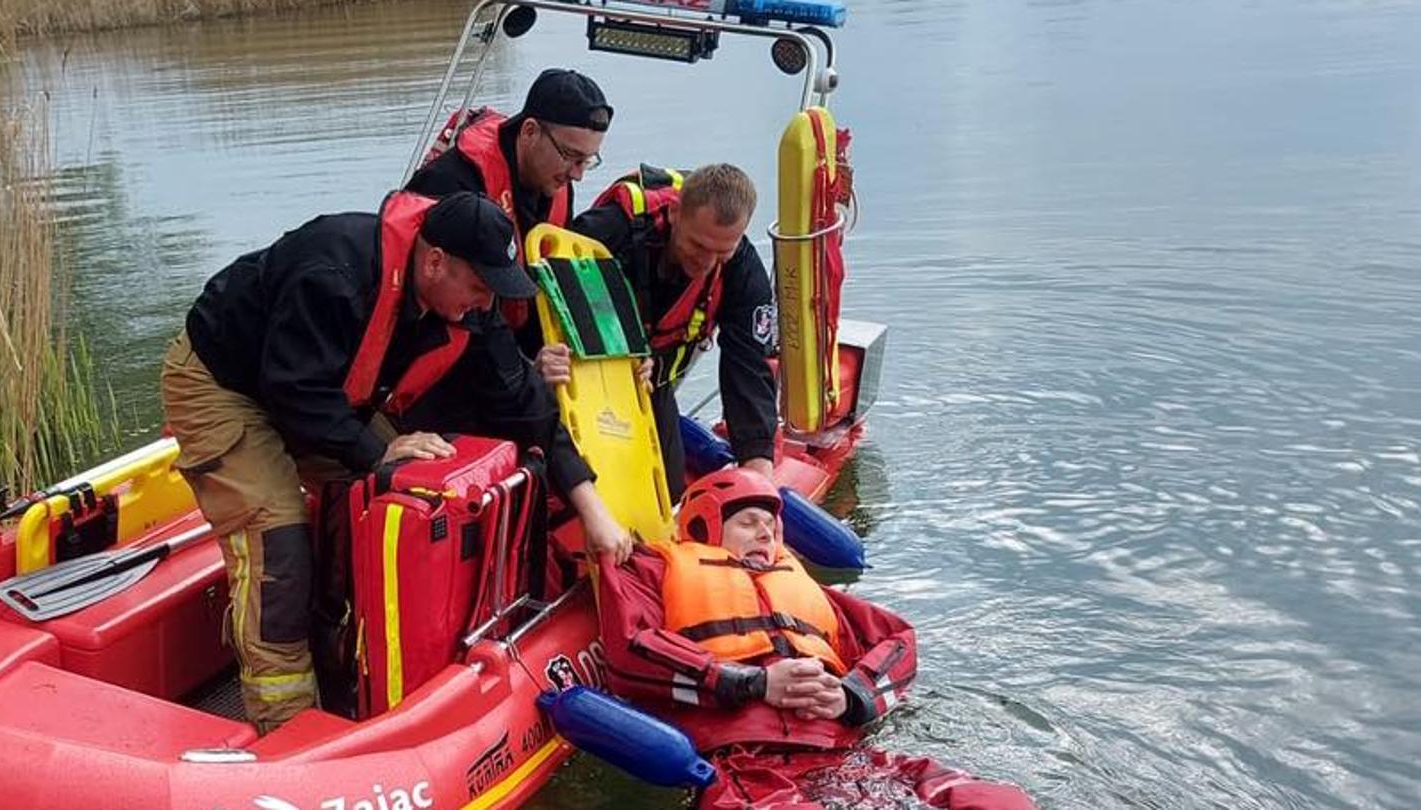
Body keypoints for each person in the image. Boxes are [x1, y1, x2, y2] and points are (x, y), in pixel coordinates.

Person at [161, 190, 632, 731]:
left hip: (322, 395)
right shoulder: (333, 272)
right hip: (225, 384)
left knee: (411, 490)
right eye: (479, 287)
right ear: (435, 262)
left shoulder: (470, 307)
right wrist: (375, 450)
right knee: (278, 539)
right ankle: (286, 722)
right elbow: (293, 391)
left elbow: (523, 405)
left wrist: (588, 501)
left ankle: (356, 665)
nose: (485, 302)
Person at [596, 469, 1037, 809]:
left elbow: (898, 641)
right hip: (747, 766)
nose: (765, 534)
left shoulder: (806, 591)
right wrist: (753, 683)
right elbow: (632, 649)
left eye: (771, 527)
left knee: (1000, 801)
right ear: (701, 528)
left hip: (846, 759)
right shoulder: (655, 572)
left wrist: (852, 695)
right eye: (749, 523)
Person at [570, 163, 778, 498]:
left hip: (654, 381)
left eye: (721, 252)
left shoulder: (742, 271)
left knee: (665, 491)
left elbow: (748, 370)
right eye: (698, 246)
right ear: (676, 213)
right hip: (584, 373)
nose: (706, 263)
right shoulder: (613, 229)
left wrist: (758, 474)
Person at [407, 68, 612, 352]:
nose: (577, 175)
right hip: (449, 348)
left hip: (512, 351)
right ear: (529, 131)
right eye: (570, 156)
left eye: (587, 161)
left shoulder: (558, 186)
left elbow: (554, 287)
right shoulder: (451, 182)